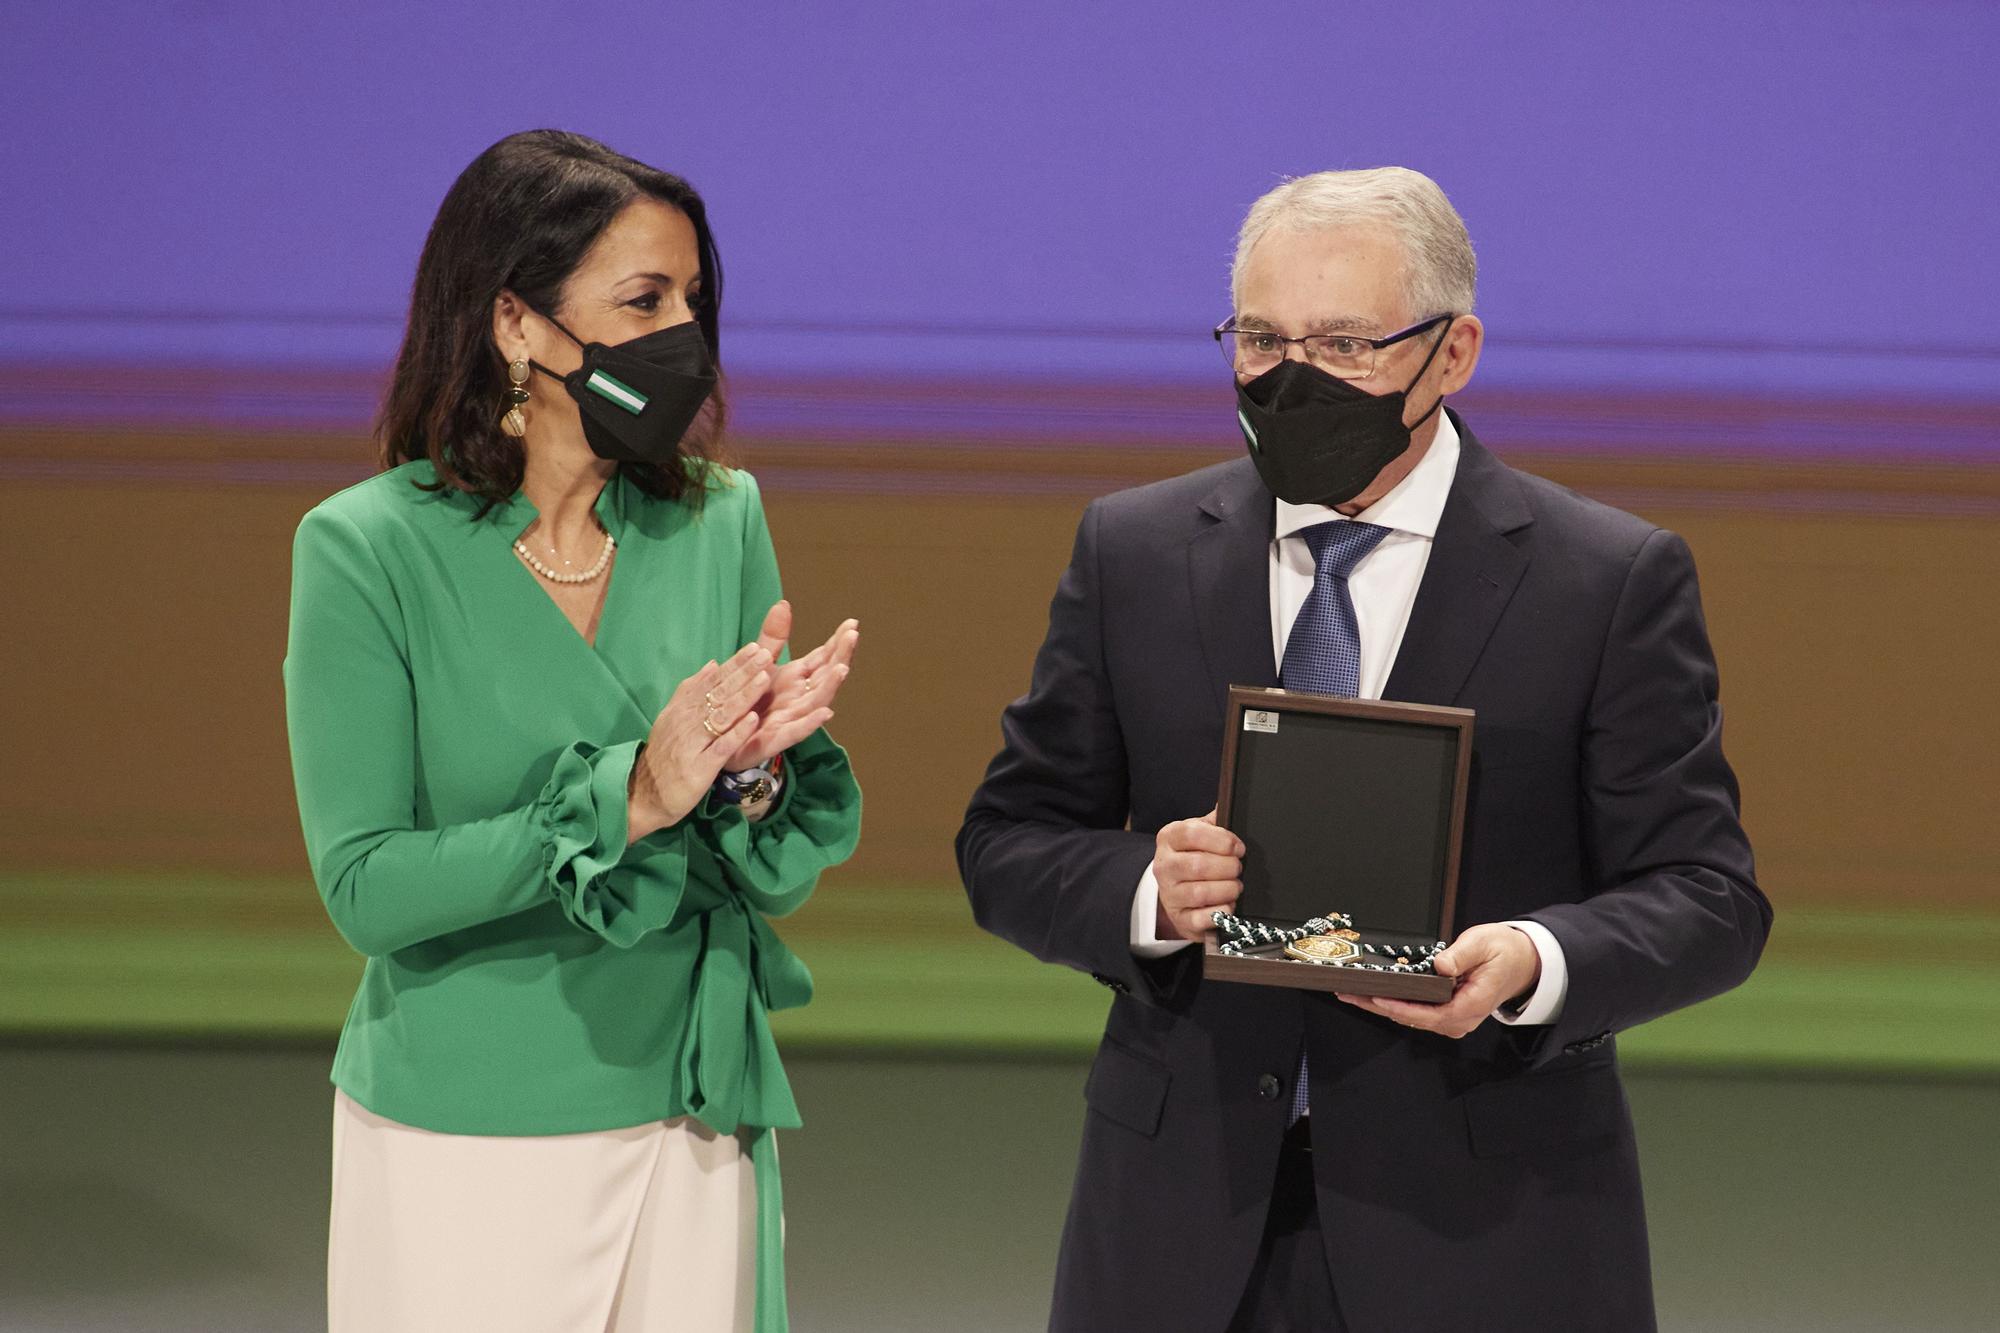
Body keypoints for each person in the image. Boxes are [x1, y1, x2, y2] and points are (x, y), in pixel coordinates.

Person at [957, 167, 1769, 1332]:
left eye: (1343, 344)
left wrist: (1533, 961)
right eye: (1258, 336)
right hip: (1181, 1226)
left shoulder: (1604, 579)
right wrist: (1146, 889)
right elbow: (1006, 840)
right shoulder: (1132, 552)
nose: (1290, 377)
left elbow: (1708, 897)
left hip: (1490, 1229)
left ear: (1453, 352)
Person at [284, 129, 862, 1333]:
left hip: (688, 1107)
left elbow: (755, 858)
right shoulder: (362, 549)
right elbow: (365, 889)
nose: (682, 335)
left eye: (692, 299)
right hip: (465, 1120)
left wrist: (750, 779)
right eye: (642, 299)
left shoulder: (718, 517)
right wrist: (631, 795)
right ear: (516, 325)